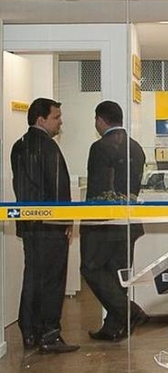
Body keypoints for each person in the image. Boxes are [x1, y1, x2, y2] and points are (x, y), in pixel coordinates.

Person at [10, 98, 80, 353]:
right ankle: (49, 334)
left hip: (30, 226)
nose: (60, 122)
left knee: (32, 277)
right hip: (51, 226)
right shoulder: (48, 147)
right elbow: (58, 187)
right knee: (52, 280)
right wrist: (66, 221)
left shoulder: (19, 146)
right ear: (41, 119)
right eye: (56, 117)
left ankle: (29, 332)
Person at [81, 101, 149, 342]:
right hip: (128, 223)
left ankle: (129, 311)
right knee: (117, 274)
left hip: (104, 224)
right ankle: (113, 327)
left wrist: (88, 222)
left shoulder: (100, 147)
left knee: (90, 268)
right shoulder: (136, 148)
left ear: (100, 120)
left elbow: (98, 190)